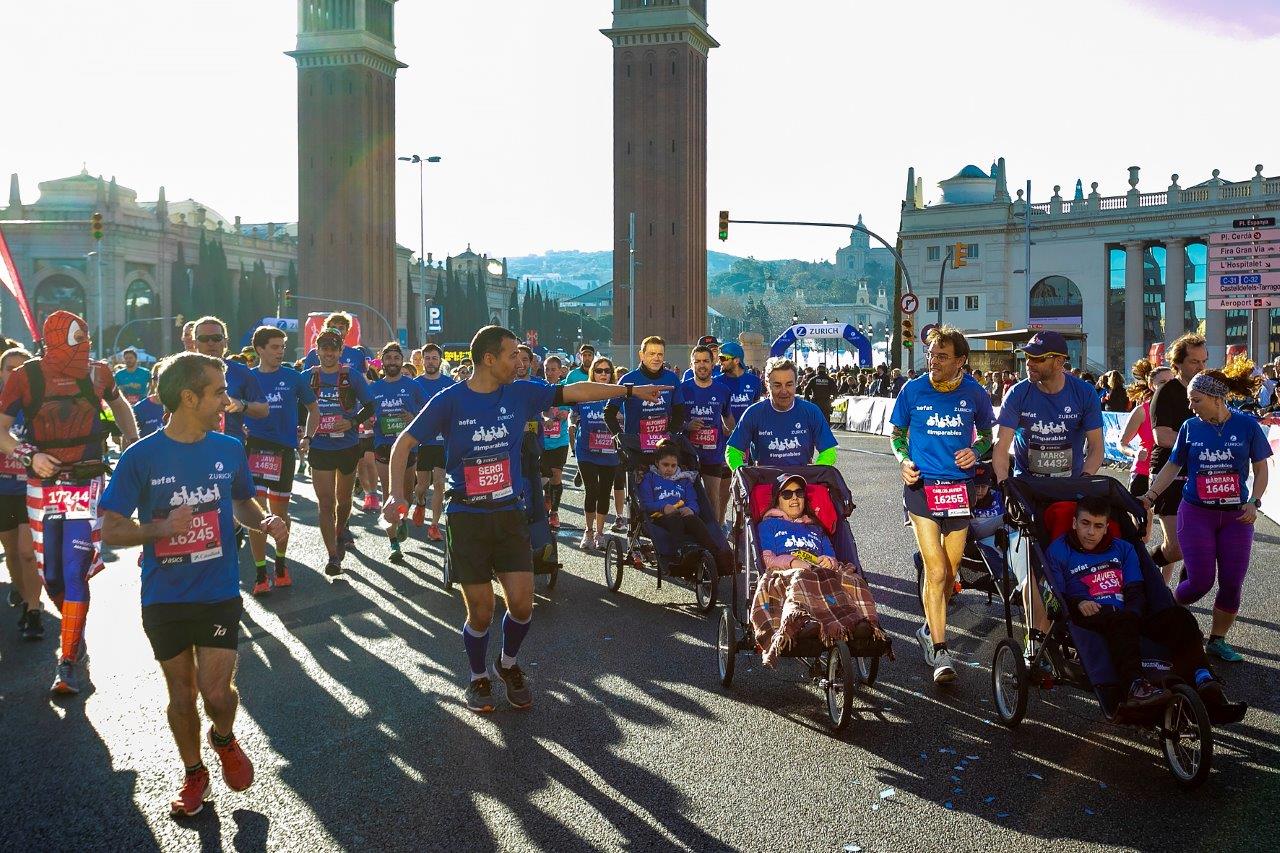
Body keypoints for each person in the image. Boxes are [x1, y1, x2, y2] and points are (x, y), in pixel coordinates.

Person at [382, 325, 671, 712]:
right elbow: (405, 442)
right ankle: (477, 677)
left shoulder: (520, 393)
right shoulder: (450, 400)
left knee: (521, 606)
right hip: (467, 516)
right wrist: (394, 495)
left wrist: (629, 391)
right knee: (481, 610)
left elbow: (577, 393)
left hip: (508, 515)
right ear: (489, 359)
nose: (520, 361)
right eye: (511, 355)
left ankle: (508, 664)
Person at [100, 352, 288, 817]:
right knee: (181, 696)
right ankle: (193, 773)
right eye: (219, 391)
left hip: (219, 589)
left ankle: (222, 737)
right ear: (189, 397)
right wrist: (160, 530)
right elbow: (110, 528)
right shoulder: (140, 457)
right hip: (164, 596)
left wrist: (264, 521)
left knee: (217, 693)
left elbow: (242, 502)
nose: (228, 399)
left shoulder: (228, 448)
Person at [0, 311, 140, 694]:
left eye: (85, 340)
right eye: (74, 341)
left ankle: (67, 659)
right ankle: (73, 629)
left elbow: (121, 406)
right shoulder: (25, 377)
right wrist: (29, 455)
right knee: (53, 575)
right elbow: (1, 427)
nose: (83, 348)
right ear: (53, 342)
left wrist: (132, 441)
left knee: (75, 569)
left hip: (85, 482)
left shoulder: (98, 373)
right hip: (40, 486)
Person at [1141, 363, 1271, 662]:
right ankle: (1170, 613)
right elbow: (1173, 466)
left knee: (1232, 581)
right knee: (1200, 581)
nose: (1190, 406)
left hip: (1237, 516)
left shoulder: (1247, 425)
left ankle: (1217, 639)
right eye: (1189, 399)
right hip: (1197, 512)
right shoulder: (1190, 427)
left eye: (1195, 400)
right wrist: (1150, 496)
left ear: (1217, 399)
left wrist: (1255, 501)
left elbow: (1261, 468)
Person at [889, 325, 994, 684]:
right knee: (935, 571)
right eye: (931, 355)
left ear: (961, 360)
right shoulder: (913, 389)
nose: (933, 361)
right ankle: (940, 649)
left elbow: (987, 436)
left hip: (958, 490)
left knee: (948, 575)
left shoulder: (974, 393)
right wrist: (903, 460)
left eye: (942, 356)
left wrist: (975, 452)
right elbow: (897, 435)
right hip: (922, 486)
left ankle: (926, 629)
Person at [992, 330, 1105, 653]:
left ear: (1059, 362)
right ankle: (1035, 641)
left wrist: (1082, 480)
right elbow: (1003, 446)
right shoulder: (1018, 393)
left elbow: (1096, 448)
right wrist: (1004, 485)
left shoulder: (1083, 393)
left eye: (1037, 358)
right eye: (1027, 357)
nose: (1029, 363)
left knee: (1070, 565)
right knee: (1027, 570)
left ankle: (1074, 625)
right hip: (1028, 491)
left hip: (1068, 491)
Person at [1043, 496, 1167, 710]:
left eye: (1098, 526)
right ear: (1074, 523)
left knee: (1178, 617)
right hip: (1087, 613)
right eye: (1085, 523)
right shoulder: (1058, 550)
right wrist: (1078, 603)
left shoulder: (1123, 548)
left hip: (1126, 611)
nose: (1091, 532)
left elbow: (1135, 589)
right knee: (1121, 623)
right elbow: (1056, 596)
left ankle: (1201, 678)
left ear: (1106, 527)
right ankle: (1135, 685)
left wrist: (1133, 613)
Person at [752, 472, 882, 666]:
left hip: (820, 574)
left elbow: (832, 558)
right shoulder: (768, 525)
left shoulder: (816, 528)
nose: (794, 498)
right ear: (777, 501)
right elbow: (768, 560)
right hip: (787, 575)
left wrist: (829, 561)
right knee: (802, 577)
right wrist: (793, 563)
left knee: (850, 578)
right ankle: (800, 621)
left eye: (799, 493)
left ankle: (857, 622)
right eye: (787, 494)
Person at [245, 326, 318, 594]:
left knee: (280, 514)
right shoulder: (248, 379)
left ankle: (281, 563)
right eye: (275, 347)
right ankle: (260, 572)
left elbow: (313, 409)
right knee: (256, 515)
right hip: (254, 450)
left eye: (282, 347)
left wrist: (308, 437)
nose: (280, 352)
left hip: (283, 452)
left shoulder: (293, 377)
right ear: (260, 349)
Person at [307, 327, 374, 577]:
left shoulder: (352, 376)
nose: (328, 353)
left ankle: (340, 528)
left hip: (347, 446)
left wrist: (352, 422)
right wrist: (302, 432)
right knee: (325, 503)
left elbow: (370, 405)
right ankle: (333, 555)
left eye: (333, 348)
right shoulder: (308, 377)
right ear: (317, 350)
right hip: (321, 447)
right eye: (324, 348)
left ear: (340, 351)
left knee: (343, 501)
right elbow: (297, 407)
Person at [1147, 334, 1207, 583]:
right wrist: (1203, 444)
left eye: (1204, 361)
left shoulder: (1207, 391)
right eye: (1194, 362)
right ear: (1178, 363)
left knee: (1203, 543)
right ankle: (1140, 571)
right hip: (1168, 474)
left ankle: (1179, 598)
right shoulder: (1167, 392)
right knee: (1176, 549)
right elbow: (1162, 437)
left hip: (1202, 475)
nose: (1201, 367)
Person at [368, 342, 427, 564]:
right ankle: (393, 544)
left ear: (402, 361)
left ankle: (402, 518)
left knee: (407, 494)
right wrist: (368, 419)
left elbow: (426, 412)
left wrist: (412, 420)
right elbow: (364, 414)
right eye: (388, 358)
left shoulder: (412, 386)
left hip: (408, 446)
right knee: (388, 493)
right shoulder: (374, 389)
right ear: (382, 362)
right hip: (383, 445)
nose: (392, 362)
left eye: (396, 358)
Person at [636, 440, 732, 574]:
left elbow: (693, 500)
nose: (669, 469)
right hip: (660, 516)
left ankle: (715, 552)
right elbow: (646, 503)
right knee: (674, 519)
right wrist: (663, 507)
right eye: (665, 465)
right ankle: (679, 551)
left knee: (694, 520)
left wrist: (691, 509)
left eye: (673, 465)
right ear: (657, 463)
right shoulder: (650, 478)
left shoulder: (684, 480)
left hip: (683, 514)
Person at [726, 357, 837, 471]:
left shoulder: (811, 411)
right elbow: (733, 451)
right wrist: (742, 474)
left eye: (789, 385)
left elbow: (829, 451)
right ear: (767, 384)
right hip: (765, 483)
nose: (784, 391)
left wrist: (815, 473)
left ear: (796, 384)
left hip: (802, 481)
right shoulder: (753, 413)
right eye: (778, 385)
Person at [0, 347, 42, 640]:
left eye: (21, 367)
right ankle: (24, 592)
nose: (14, 373)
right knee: (13, 552)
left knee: (28, 553)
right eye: (8, 368)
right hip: (3, 490)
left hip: (30, 487)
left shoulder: (37, 401)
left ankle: (33, 608)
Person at [605, 336, 686, 455]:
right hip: (636, 449)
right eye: (651, 354)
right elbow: (609, 413)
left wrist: (671, 434)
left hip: (663, 448)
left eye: (660, 354)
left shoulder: (672, 378)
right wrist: (620, 438)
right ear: (641, 355)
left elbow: (680, 412)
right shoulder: (628, 379)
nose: (656, 358)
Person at [570, 355, 619, 550]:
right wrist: (572, 424)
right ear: (593, 373)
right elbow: (573, 415)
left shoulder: (618, 395)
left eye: (607, 371)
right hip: (586, 449)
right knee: (592, 490)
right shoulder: (583, 392)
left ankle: (600, 532)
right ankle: (588, 531)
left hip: (610, 450)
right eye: (599, 371)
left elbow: (624, 417)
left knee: (605, 492)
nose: (603, 374)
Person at [681, 346, 734, 525]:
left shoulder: (723, 390)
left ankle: (716, 538)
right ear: (692, 364)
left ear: (713, 364)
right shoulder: (683, 389)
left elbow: (728, 419)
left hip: (713, 454)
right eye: (697, 361)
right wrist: (688, 425)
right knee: (687, 498)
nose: (701, 365)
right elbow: (673, 420)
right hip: (688, 454)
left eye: (705, 361)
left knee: (713, 498)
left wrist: (729, 430)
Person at [1121, 361, 1173, 541]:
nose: (1169, 387)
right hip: (1143, 471)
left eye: (1172, 381)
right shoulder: (1142, 411)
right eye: (1163, 382)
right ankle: (1139, 563)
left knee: (1172, 534)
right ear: (1152, 385)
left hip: (1171, 472)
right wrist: (1135, 453)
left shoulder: (1183, 409)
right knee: (1142, 527)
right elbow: (1123, 443)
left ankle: (1162, 568)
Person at [411, 343, 454, 540]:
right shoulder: (416, 383)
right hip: (424, 442)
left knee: (439, 484)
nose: (430, 362)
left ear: (440, 360)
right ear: (422, 360)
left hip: (443, 442)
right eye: (427, 358)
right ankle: (419, 503)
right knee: (421, 486)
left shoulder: (449, 383)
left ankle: (435, 525)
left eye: (434, 358)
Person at [716, 340, 763, 513]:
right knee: (723, 488)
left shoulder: (754, 381)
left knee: (747, 486)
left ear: (736, 360)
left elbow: (757, 408)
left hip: (748, 442)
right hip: (724, 441)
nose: (719, 361)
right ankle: (720, 524)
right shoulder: (717, 382)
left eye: (723, 358)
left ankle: (742, 525)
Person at [132, 375, 167, 439]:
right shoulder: (139, 408)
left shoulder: (181, 406)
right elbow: (129, 439)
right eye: (157, 378)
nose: (163, 382)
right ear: (153, 381)